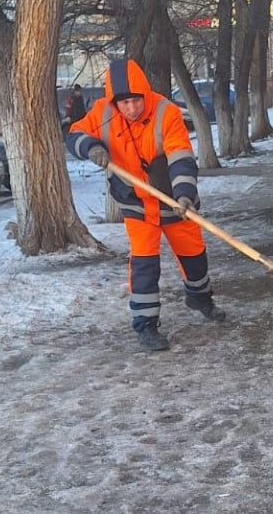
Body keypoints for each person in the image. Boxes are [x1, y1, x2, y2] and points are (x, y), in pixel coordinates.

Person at [66, 60, 225, 351]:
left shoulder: (166, 111)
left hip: (174, 199)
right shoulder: (102, 112)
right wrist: (92, 147)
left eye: (136, 100)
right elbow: (74, 134)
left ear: (145, 95)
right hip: (135, 202)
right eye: (124, 103)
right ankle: (146, 325)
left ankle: (200, 297)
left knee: (194, 255)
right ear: (115, 102)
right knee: (144, 264)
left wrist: (185, 193)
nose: (131, 109)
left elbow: (179, 154)